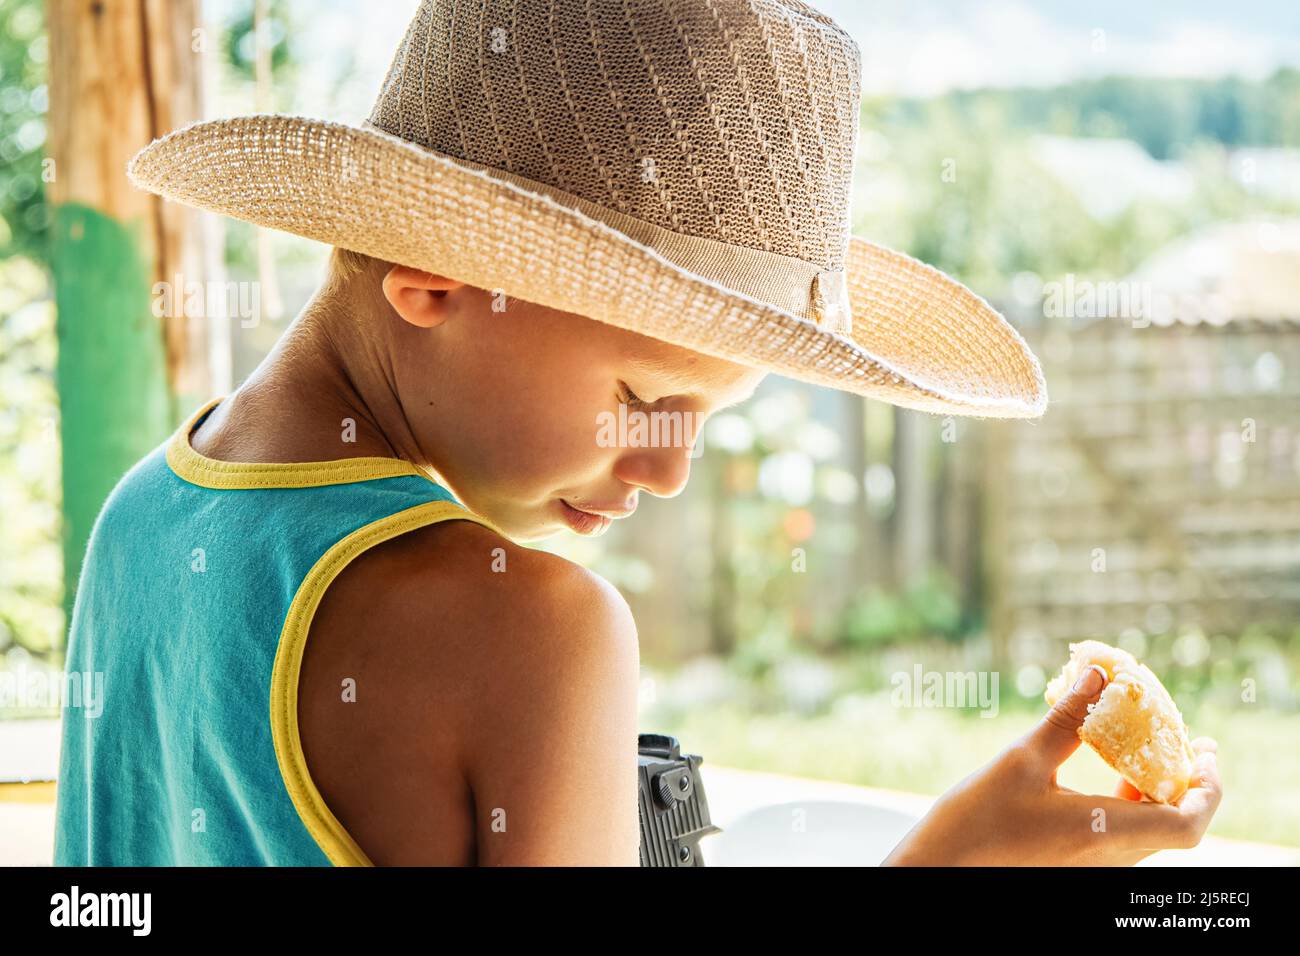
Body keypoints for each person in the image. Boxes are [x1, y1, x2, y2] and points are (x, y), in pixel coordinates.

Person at [53, 0, 1218, 865]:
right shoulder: (530, 628)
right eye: (645, 393)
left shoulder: (143, 517)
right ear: (438, 276)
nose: (667, 468)